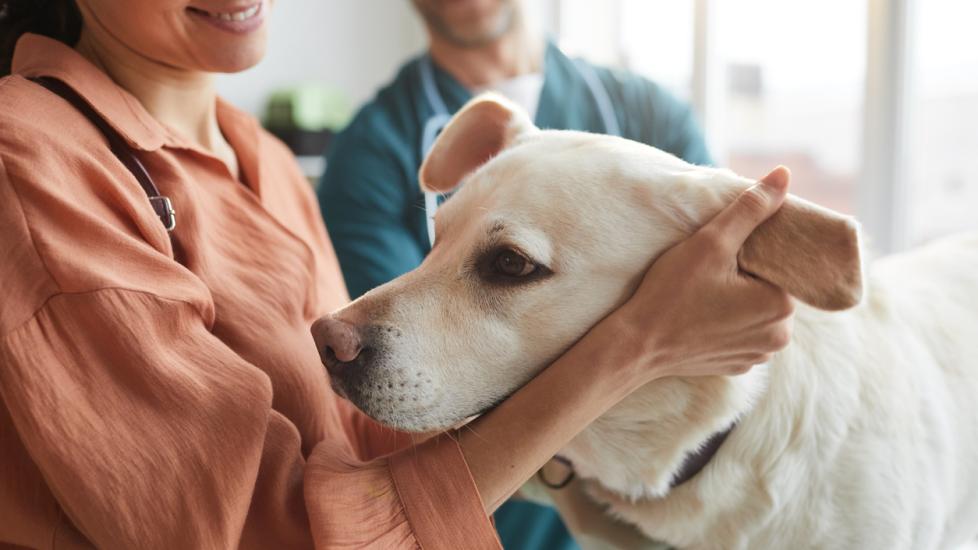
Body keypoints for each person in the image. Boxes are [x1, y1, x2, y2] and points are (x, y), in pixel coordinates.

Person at [0, 0, 793, 548]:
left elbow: (374, 434)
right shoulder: (27, 161)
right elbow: (264, 534)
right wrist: (639, 344)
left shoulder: (264, 159)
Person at [318, 1, 714, 545]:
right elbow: (408, 379)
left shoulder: (650, 116)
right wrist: (639, 338)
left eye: (509, 262)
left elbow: (717, 313)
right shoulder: (370, 152)